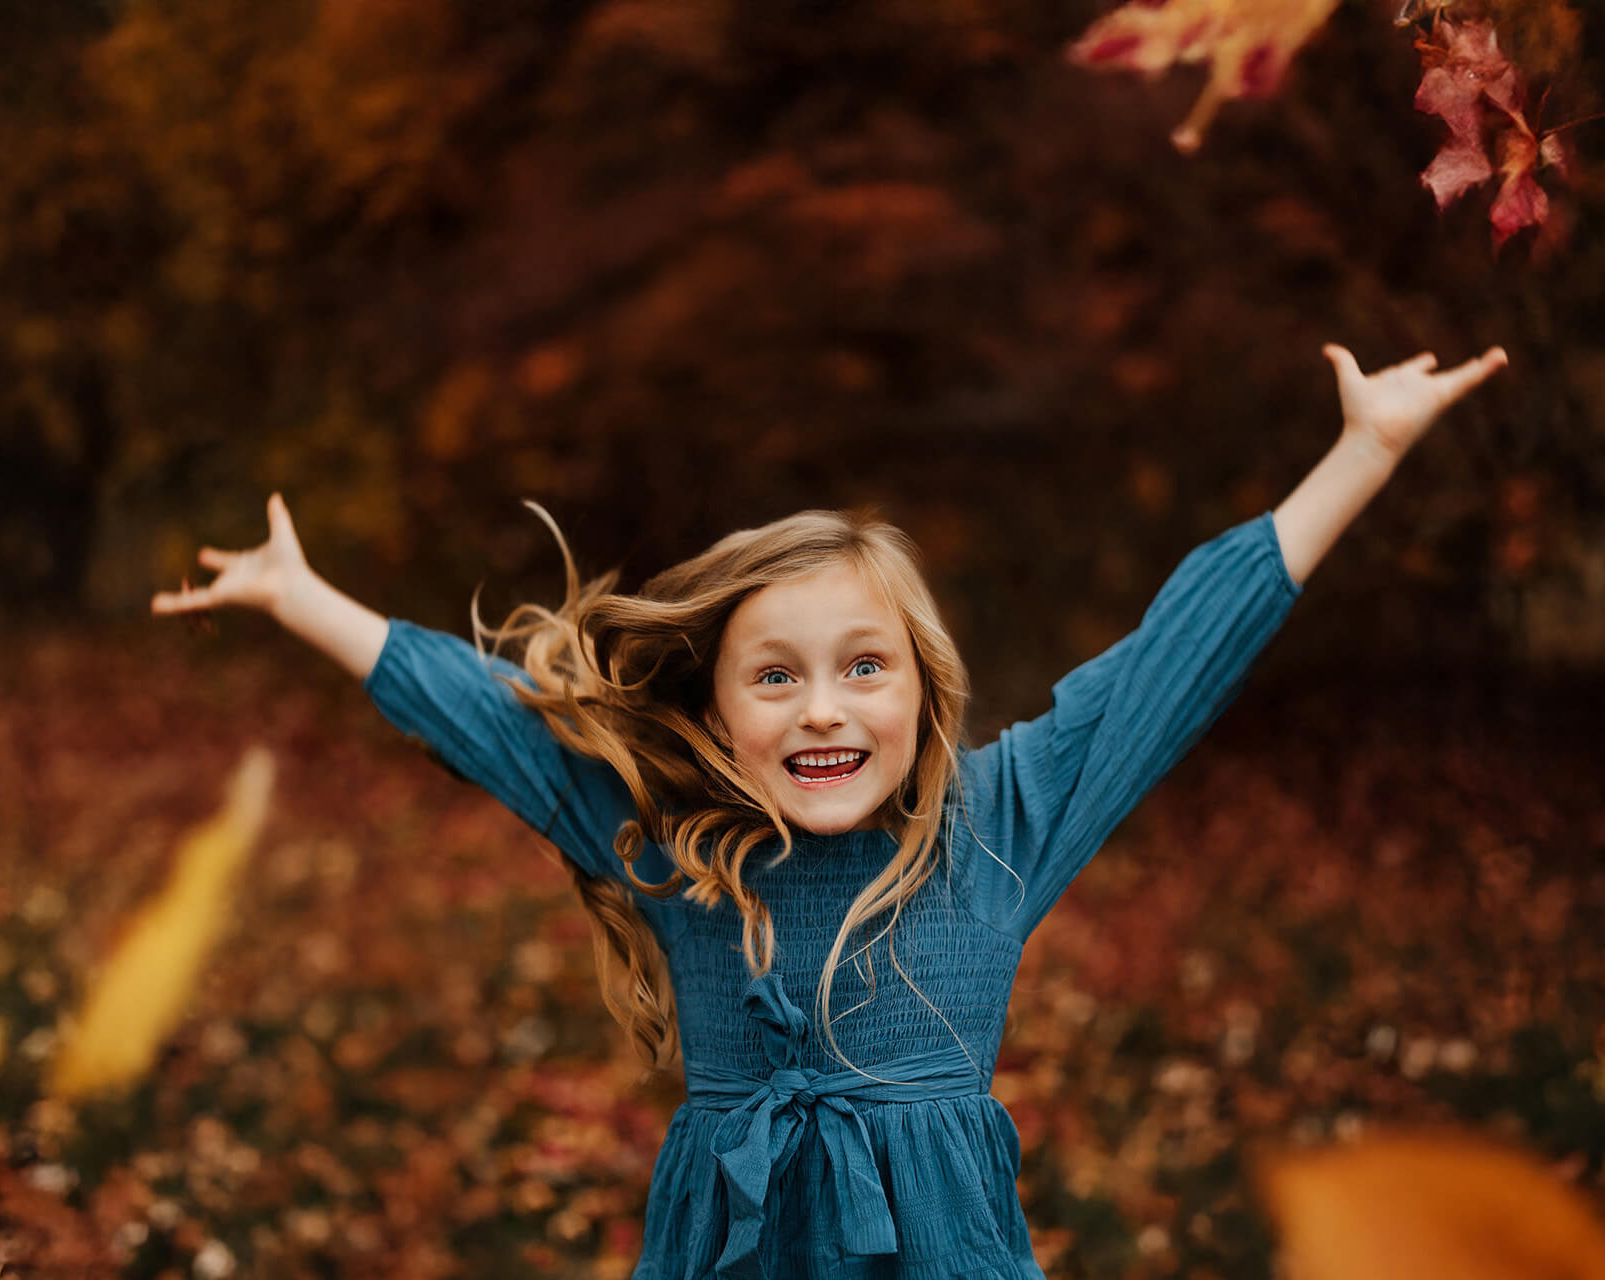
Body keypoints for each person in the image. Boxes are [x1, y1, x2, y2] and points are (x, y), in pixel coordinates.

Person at [153, 343, 1508, 1278]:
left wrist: (1362, 456)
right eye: (777, 677)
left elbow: (1177, 653)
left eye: (865, 670)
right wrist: (304, 598)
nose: (823, 711)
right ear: (720, 707)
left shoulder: (999, 821)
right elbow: (486, 713)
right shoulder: (669, 838)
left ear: (924, 692)